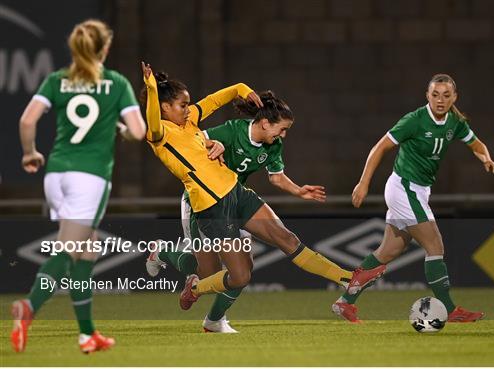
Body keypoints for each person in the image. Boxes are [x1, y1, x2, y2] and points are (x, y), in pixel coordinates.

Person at [141, 62, 385, 329]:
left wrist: (241, 89)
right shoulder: (160, 135)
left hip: (236, 192)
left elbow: (214, 100)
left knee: (286, 238)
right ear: (165, 108)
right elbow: (152, 118)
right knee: (231, 275)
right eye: (182, 105)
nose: (189, 109)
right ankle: (166, 257)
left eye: (188, 104)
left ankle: (348, 278)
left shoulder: (189, 121)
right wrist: (152, 87)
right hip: (210, 207)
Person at [11, 19, 146, 353]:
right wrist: (121, 129)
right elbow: (139, 131)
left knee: (88, 249)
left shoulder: (58, 80)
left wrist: (30, 153)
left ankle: (87, 335)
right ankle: (29, 307)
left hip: (56, 175)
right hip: (90, 177)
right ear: (105, 48)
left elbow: (27, 120)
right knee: (70, 249)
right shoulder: (114, 82)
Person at [146, 91, 326, 333]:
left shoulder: (272, 144)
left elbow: (277, 177)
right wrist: (213, 142)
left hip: (235, 199)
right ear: (265, 122)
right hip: (202, 203)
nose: (283, 135)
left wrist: (298, 191)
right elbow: (192, 142)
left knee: (243, 269)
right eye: (281, 129)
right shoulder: (230, 130)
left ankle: (214, 320)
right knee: (208, 272)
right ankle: (163, 252)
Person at [333, 73, 494, 323]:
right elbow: (380, 147)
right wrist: (363, 182)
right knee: (435, 245)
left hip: (418, 189)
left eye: (446, 95)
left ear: (454, 97)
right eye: (435, 95)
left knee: (387, 252)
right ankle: (449, 309)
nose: (440, 100)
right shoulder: (414, 120)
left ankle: (344, 302)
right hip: (405, 187)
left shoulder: (455, 121)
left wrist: (486, 159)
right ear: (428, 96)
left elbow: (476, 145)